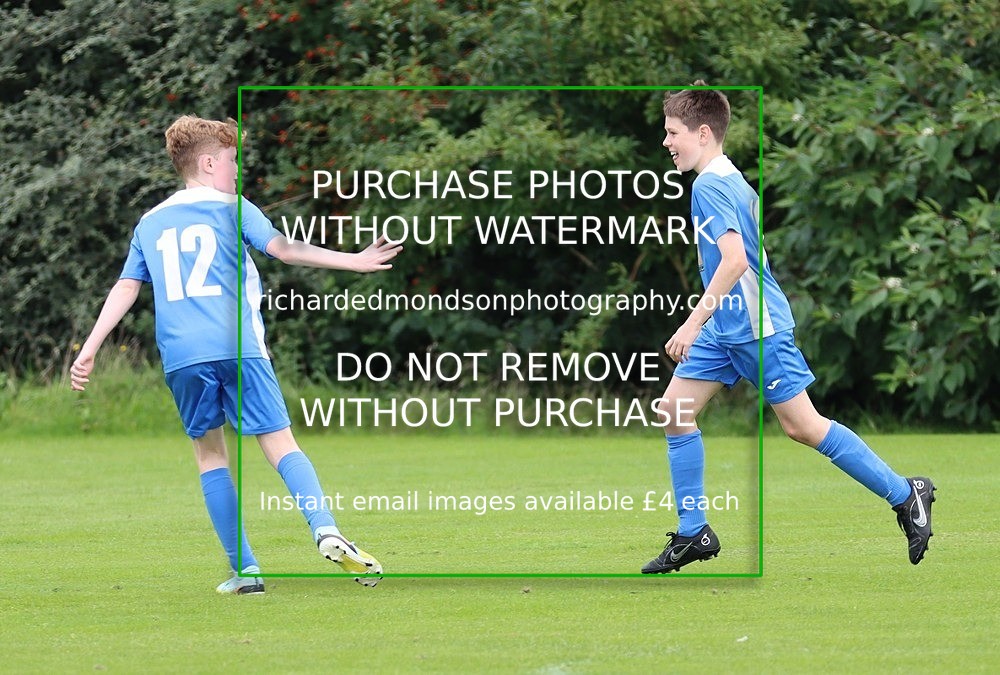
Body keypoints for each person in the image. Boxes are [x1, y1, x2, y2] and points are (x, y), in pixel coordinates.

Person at [70, 115, 401, 593]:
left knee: (210, 457)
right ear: (208, 163)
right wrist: (355, 260)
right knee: (281, 444)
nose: (237, 170)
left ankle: (245, 572)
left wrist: (90, 348)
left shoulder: (150, 222)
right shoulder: (234, 206)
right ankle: (324, 527)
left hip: (184, 355)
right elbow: (283, 250)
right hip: (240, 347)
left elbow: (126, 286)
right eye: (231, 160)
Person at [642, 84, 935, 574]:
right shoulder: (731, 179)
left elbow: (734, 261)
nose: (667, 142)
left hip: (756, 329)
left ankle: (907, 495)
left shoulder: (710, 185)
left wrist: (693, 321)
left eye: (673, 133)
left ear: (704, 132)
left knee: (802, 426)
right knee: (675, 410)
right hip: (728, 327)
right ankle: (694, 534)